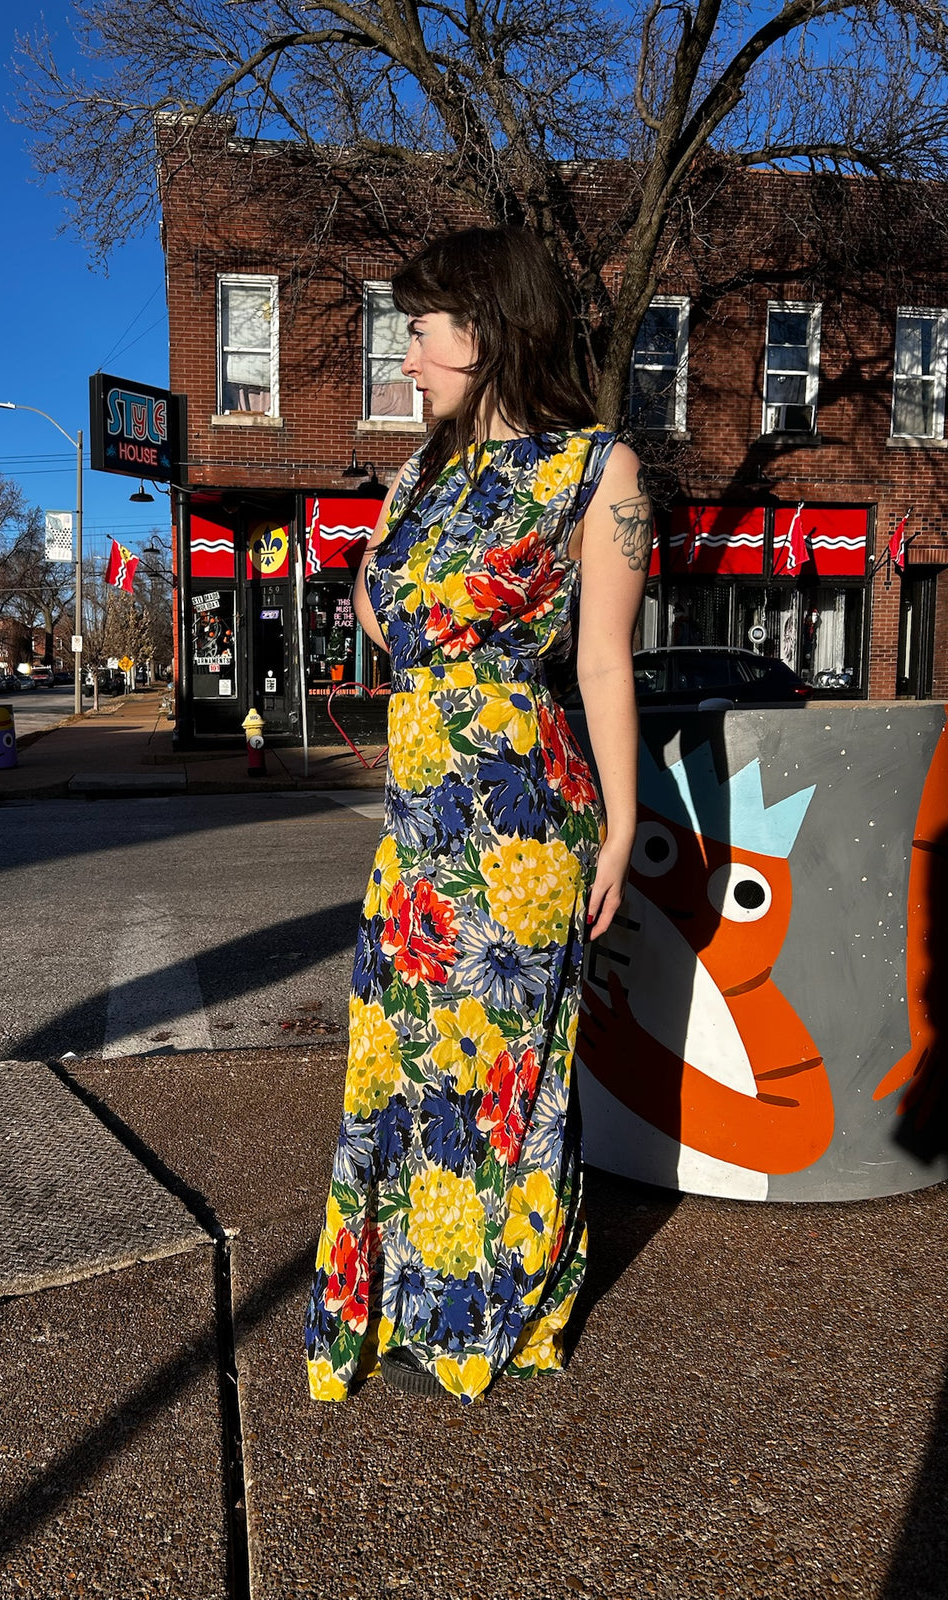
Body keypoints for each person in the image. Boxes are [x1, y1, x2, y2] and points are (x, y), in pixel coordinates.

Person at [304, 226, 650, 1404]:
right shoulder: (418, 474)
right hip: (416, 833)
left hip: (520, 829)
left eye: (417, 328)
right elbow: (382, 607)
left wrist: (618, 825)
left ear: (489, 326)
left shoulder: (598, 471)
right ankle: (401, 1302)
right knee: (396, 1063)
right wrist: (384, 598)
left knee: (499, 1070)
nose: (401, 355)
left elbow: (604, 664)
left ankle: (499, 1312)